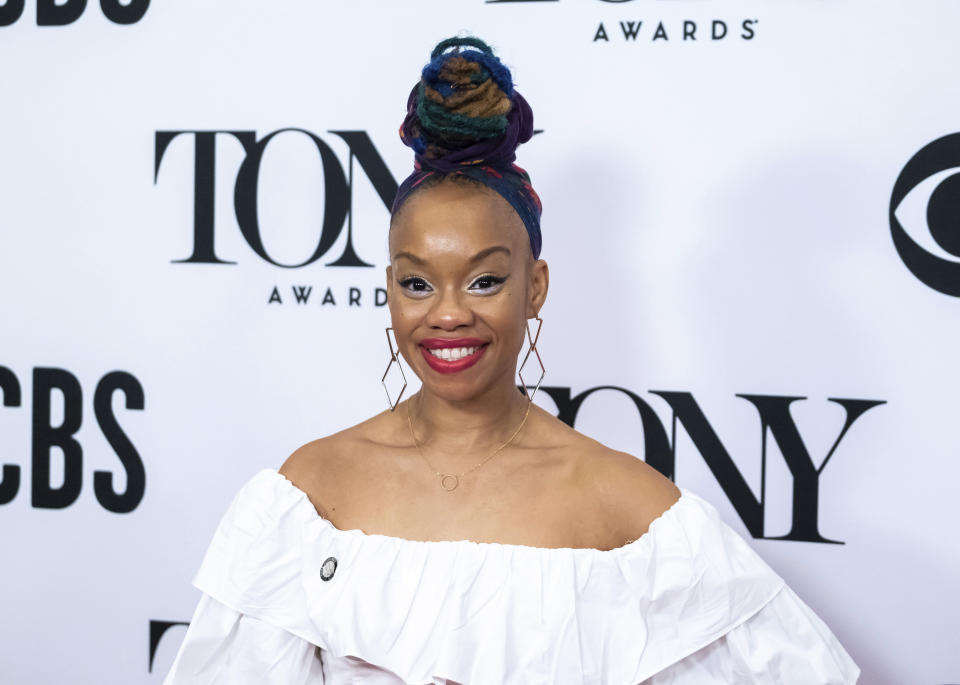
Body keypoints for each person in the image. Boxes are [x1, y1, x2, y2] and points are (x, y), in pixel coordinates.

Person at [162, 36, 861, 684]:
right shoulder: (308, 491)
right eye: (416, 281)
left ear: (536, 287)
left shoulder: (629, 511)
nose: (447, 313)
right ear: (390, 293)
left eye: (485, 279)